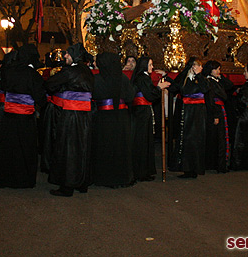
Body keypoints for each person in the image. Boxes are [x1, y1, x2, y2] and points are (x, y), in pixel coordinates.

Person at [0, 45, 46, 189]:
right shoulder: (32, 74)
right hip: (25, 118)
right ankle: (23, 180)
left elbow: (3, 87)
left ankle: (3, 178)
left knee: (7, 147)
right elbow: (40, 98)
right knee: (24, 148)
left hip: (8, 116)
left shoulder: (9, 71)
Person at [44, 43, 95, 197]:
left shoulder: (69, 71)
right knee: (83, 148)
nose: (65, 56)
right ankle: (82, 182)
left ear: (74, 55)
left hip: (71, 115)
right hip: (86, 115)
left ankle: (67, 185)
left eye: (68, 54)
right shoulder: (87, 71)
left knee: (68, 149)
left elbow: (50, 84)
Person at [91, 52, 136, 188]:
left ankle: (105, 178)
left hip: (103, 118)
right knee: (121, 147)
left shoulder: (97, 79)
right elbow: (130, 97)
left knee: (105, 147)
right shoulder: (122, 78)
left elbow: (92, 96)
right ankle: (123, 177)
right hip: (121, 117)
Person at [131, 56, 169, 182]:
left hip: (143, 112)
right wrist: (159, 88)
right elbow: (149, 95)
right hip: (141, 112)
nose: (152, 67)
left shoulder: (143, 77)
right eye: (150, 64)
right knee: (142, 141)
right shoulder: (142, 77)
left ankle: (145, 171)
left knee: (146, 140)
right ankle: (141, 172)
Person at [172, 59, 210, 178]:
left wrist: (199, 74)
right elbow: (177, 88)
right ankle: (186, 168)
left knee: (196, 139)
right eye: (199, 66)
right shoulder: (185, 78)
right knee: (186, 139)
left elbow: (205, 89)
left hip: (198, 113)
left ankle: (195, 168)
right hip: (187, 111)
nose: (201, 68)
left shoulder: (203, 78)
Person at [203, 60, 234, 173]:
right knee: (218, 138)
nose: (218, 71)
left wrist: (220, 77)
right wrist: (215, 115)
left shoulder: (217, 80)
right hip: (216, 110)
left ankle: (219, 163)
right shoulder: (209, 82)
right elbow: (210, 100)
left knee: (220, 137)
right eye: (216, 69)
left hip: (220, 109)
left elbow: (230, 85)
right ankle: (219, 165)